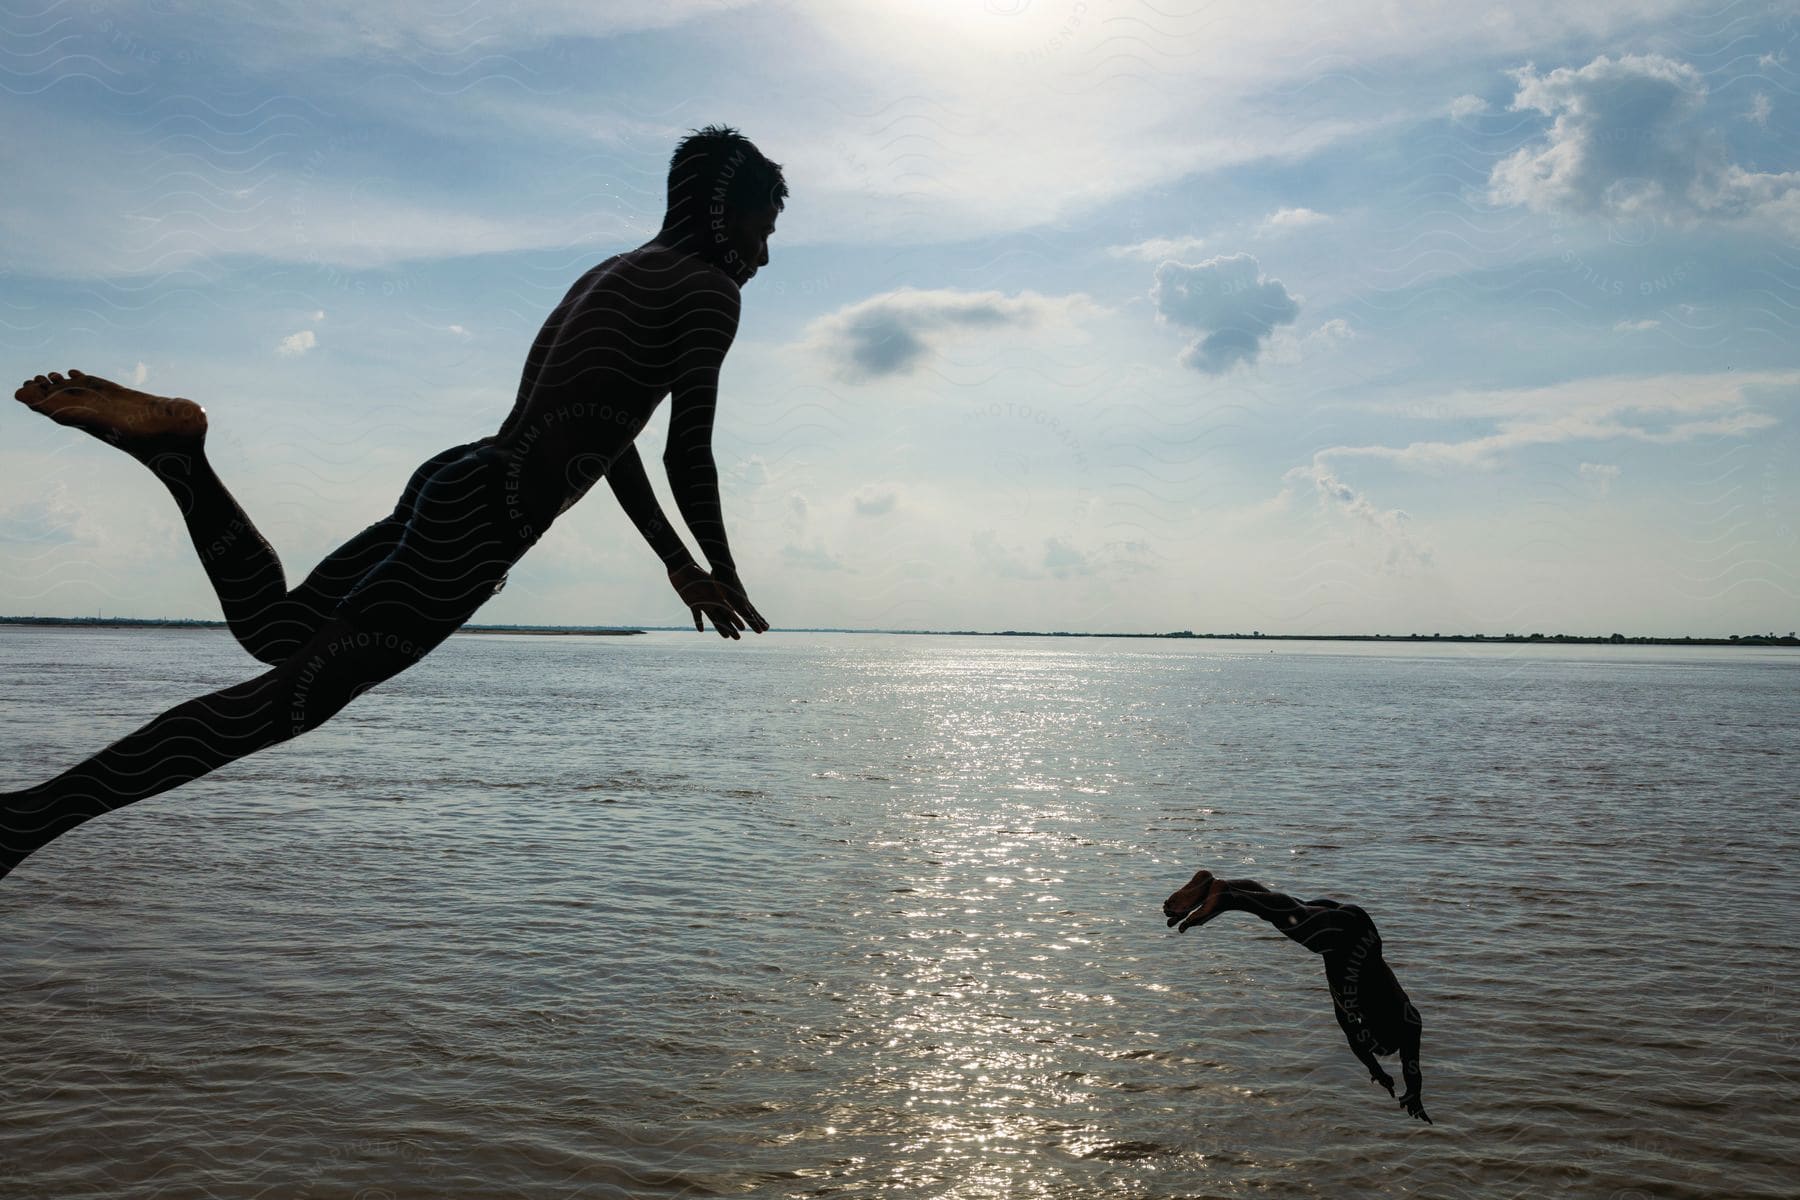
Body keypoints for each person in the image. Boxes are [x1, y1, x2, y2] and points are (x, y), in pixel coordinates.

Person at [1, 125, 784, 881]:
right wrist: (724, 568)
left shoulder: (614, 272)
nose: (763, 254)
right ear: (724, 212)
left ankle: (179, 460)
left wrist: (681, 565)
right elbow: (688, 450)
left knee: (276, 634)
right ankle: (24, 823)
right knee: (288, 701)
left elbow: (608, 438)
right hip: (486, 525)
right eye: (762, 228)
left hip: (457, 479)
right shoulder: (708, 291)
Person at [1162, 868, 1432, 1123]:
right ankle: (1226, 896)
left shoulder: (1356, 1020)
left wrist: (1381, 1074)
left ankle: (1214, 887)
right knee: (1291, 919)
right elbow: (1408, 1063)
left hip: (1348, 931)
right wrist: (1411, 1091)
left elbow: (1370, 1049)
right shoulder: (1395, 1021)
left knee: (1285, 912)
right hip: (1352, 937)